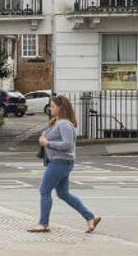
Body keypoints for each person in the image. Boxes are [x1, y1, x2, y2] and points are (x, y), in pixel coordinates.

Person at [28, 95, 103, 234]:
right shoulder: (58, 122)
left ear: (61, 108)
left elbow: (68, 145)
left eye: (53, 106)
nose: (50, 108)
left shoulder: (64, 124)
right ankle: (90, 217)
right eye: (50, 106)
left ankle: (43, 224)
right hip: (62, 162)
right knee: (63, 194)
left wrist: (47, 143)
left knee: (44, 190)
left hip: (60, 162)